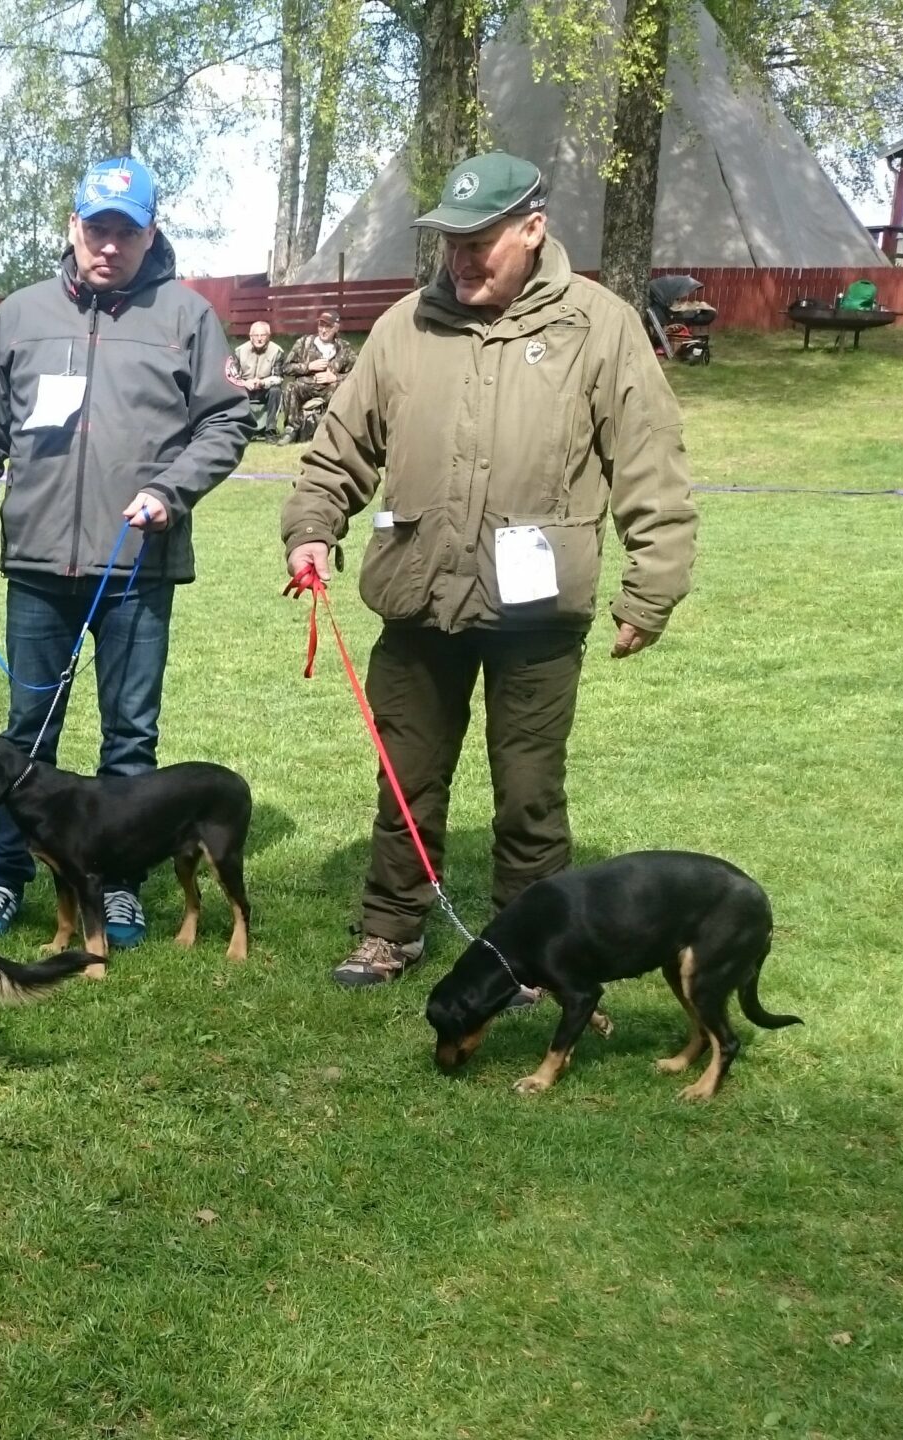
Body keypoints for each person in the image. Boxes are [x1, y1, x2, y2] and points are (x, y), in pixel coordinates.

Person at [280, 151, 698, 989]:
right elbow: (341, 448)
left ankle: (532, 953)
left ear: (533, 229)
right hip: (417, 595)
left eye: (482, 241)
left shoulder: (599, 324)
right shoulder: (405, 326)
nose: (463, 259)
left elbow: (650, 460)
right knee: (406, 781)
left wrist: (652, 587)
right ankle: (390, 930)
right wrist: (311, 527)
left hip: (538, 616)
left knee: (530, 795)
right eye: (451, 243)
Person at [0, 155, 248, 949]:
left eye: (126, 231)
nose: (109, 245)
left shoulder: (186, 317)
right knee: (25, 737)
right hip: (39, 567)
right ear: (73, 228)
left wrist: (170, 492)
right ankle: (4, 878)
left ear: (150, 235)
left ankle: (120, 888)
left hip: (137, 569)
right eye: (96, 228)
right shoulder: (21, 315)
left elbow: (227, 423)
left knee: (131, 736)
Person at [282, 311, 355, 440]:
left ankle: (332, 431)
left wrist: (336, 378)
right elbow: (286, 368)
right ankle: (291, 430)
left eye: (328, 327)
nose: (323, 330)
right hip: (307, 385)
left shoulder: (344, 348)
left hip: (330, 388)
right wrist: (308, 367)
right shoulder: (304, 342)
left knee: (341, 390)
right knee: (291, 387)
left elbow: (356, 374)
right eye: (321, 326)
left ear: (336, 328)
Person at [224, 321, 286, 439]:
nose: (259, 339)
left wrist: (263, 383)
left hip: (265, 388)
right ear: (250, 336)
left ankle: (270, 430)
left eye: (262, 335)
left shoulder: (277, 351)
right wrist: (245, 383)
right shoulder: (240, 351)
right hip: (246, 387)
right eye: (255, 336)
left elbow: (279, 377)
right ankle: (241, 429)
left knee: (276, 391)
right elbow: (232, 376)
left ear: (269, 336)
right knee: (232, 390)